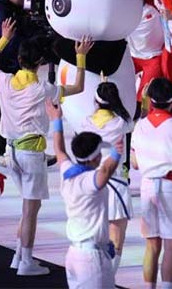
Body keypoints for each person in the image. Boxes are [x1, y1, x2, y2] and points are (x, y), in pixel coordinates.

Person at [0, 20, 92, 276]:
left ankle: (18, 255)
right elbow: (78, 86)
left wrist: (3, 39)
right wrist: (80, 57)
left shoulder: (4, 80)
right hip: (31, 154)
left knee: (29, 207)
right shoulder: (41, 89)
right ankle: (25, 262)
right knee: (30, 210)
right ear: (40, 63)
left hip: (11, 153)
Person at [131, 77, 172, 289]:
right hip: (171, 188)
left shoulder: (139, 127)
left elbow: (134, 163)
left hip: (148, 186)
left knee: (151, 245)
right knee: (171, 246)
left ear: (150, 100)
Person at [47, 100, 122, 289]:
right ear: (96, 157)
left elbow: (59, 150)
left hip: (75, 253)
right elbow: (104, 173)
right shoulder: (88, 181)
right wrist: (116, 153)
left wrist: (56, 120)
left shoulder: (69, 171)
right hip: (91, 259)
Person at [78, 81, 134, 272]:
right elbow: (132, 119)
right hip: (116, 184)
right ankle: (108, 278)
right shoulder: (122, 122)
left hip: (93, 183)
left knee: (95, 235)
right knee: (117, 238)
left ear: (96, 100)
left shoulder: (85, 123)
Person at [0, 0, 30, 159]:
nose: (26, 2)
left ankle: (10, 147)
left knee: (10, 108)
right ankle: (0, 152)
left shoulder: (9, 9)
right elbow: (12, 39)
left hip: (6, 66)